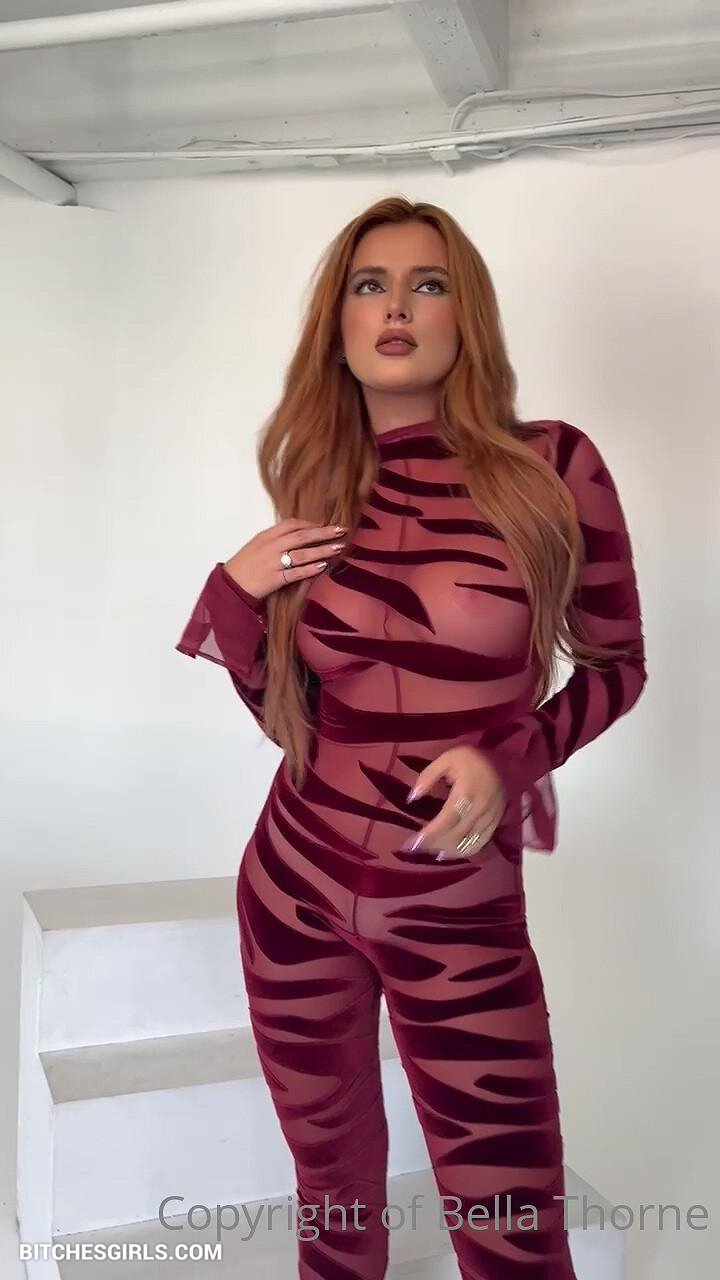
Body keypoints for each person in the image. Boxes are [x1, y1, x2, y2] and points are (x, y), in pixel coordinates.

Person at [176, 198, 647, 1280]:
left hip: (455, 901)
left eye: (427, 284)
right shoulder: (322, 486)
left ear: (463, 314)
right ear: (338, 323)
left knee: (511, 1226)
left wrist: (507, 758)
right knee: (333, 1206)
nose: (397, 307)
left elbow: (619, 667)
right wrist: (234, 592)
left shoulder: (550, 466)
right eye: (370, 285)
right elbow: (293, 719)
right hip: (292, 889)